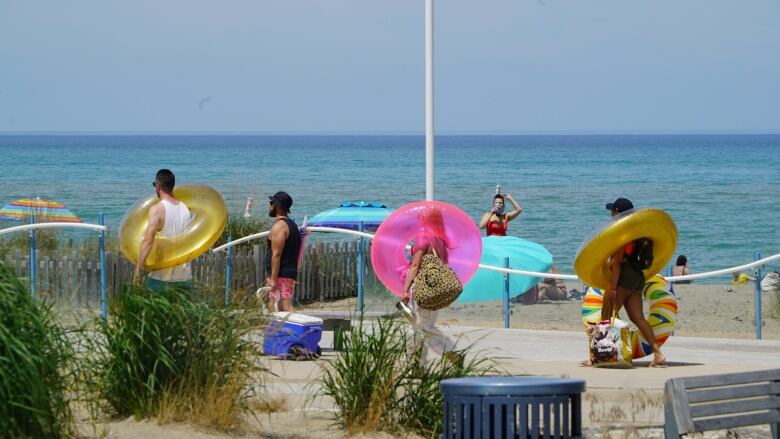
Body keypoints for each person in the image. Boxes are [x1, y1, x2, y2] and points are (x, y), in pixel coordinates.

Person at [583, 197, 666, 367]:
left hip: (623, 278)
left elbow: (618, 263)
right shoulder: (638, 231)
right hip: (638, 278)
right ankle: (658, 354)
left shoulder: (621, 233)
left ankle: (596, 357)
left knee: (605, 317)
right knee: (639, 318)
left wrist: (613, 288)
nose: (611, 214)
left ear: (618, 213)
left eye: (613, 211)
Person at [401, 207, 459, 364]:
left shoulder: (423, 238)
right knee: (414, 328)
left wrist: (405, 289)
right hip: (435, 290)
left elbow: (415, 266)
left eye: (421, 216)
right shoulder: (440, 239)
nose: (418, 218)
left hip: (423, 290)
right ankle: (415, 366)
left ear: (424, 219)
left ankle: (452, 353)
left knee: (423, 328)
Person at [134, 169, 193, 292]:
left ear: (158, 185)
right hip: (185, 277)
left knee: (154, 311)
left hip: (161, 278)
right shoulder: (185, 208)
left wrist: (138, 269)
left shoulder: (157, 209)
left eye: (154, 185)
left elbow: (148, 241)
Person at [265, 191, 302, 312]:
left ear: (276, 205)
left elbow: (277, 254)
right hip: (288, 273)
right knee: (278, 306)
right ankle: (278, 331)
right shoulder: (293, 225)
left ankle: (296, 330)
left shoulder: (279, 226)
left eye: (271, 203)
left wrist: (274, 279)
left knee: (284, 306)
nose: (269, 206)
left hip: (281, 274)